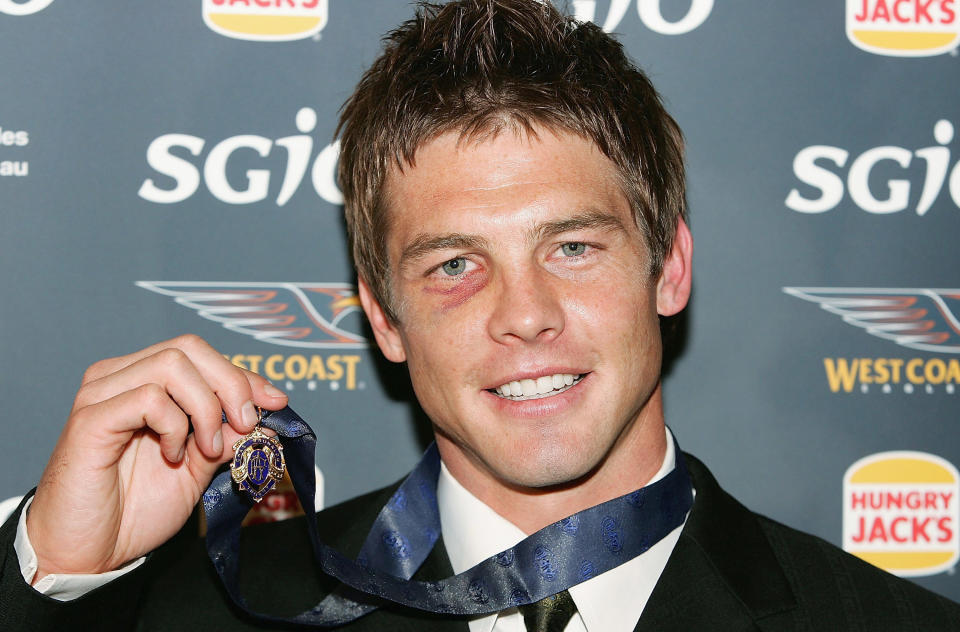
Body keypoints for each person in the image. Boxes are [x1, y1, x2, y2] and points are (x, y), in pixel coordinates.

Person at [2, 1, 958, 630]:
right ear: (383, 318)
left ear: (669, 268)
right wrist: (54, 571)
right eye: (456, 264)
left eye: (572, 247)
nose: (526, 315)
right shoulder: (222, 613)